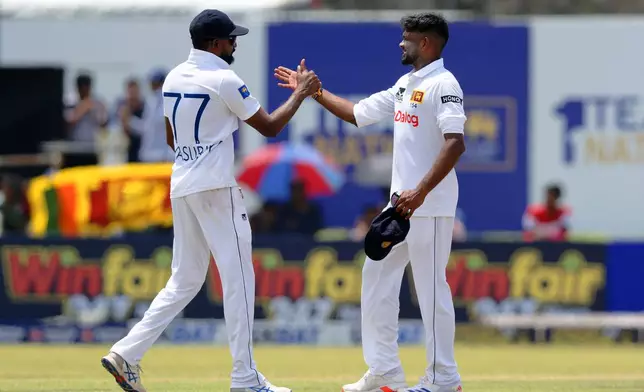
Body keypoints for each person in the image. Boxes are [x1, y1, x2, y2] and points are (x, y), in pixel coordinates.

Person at [100, 9, 321, 392]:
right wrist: (301, 93)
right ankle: (245, 379)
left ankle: (126, 352)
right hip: (217, 188)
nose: (235, 44)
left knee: (184, 280)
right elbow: (269, 127)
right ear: (215, 44)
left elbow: (172, 139)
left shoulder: (172, 77)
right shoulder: (224, 78)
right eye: (231, 39)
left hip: (182, 185)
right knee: (238, 281)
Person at [275, 12, 466, 392]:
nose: (401, 43)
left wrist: (421, 191)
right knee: (376, 279)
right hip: (401, 206)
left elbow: (455, 142)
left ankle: (444, 379)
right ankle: (384, 371)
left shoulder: (444, 84)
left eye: (407, 38)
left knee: (430, 291)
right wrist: (311, 90)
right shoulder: (405, 84)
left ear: (426, 43)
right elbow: (358, 113)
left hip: (429, 204)